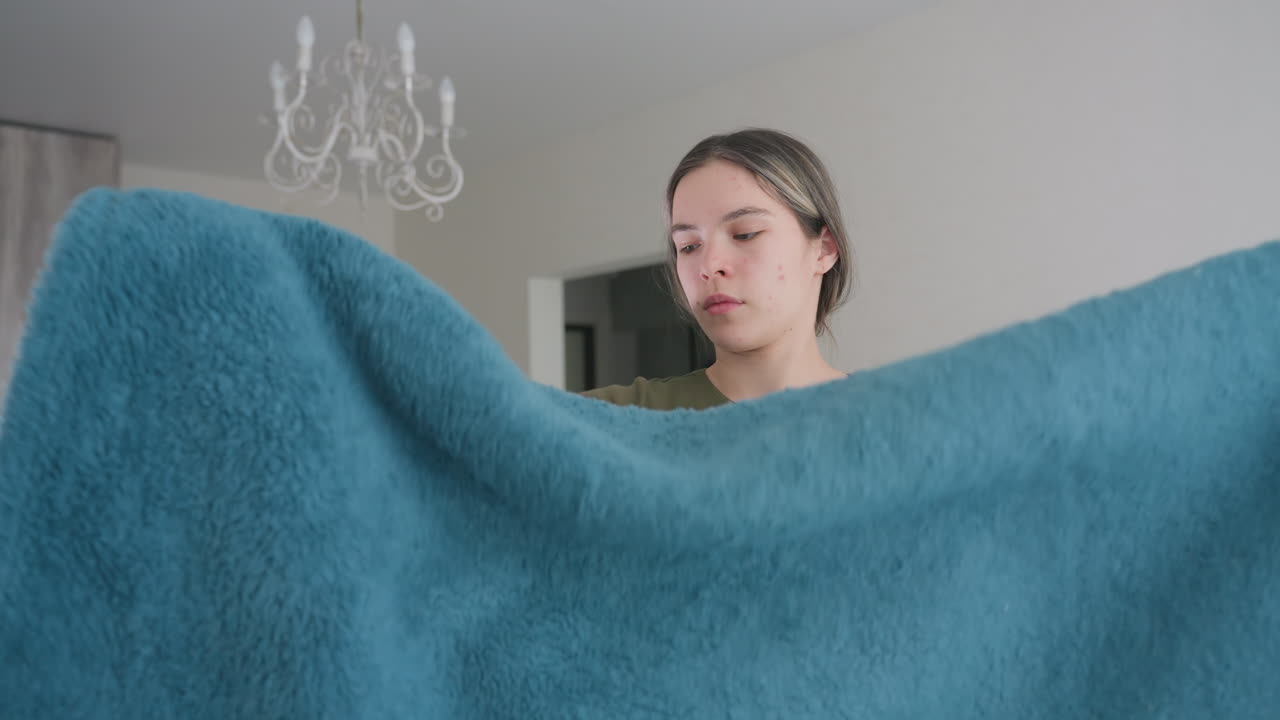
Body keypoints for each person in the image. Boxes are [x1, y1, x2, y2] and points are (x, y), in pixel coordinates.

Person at [583, 128, 853, 410]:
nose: (709, 266)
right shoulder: (605, 420)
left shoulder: (888, 422)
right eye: (688, 246)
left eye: (745, 234)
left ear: (824, 249)